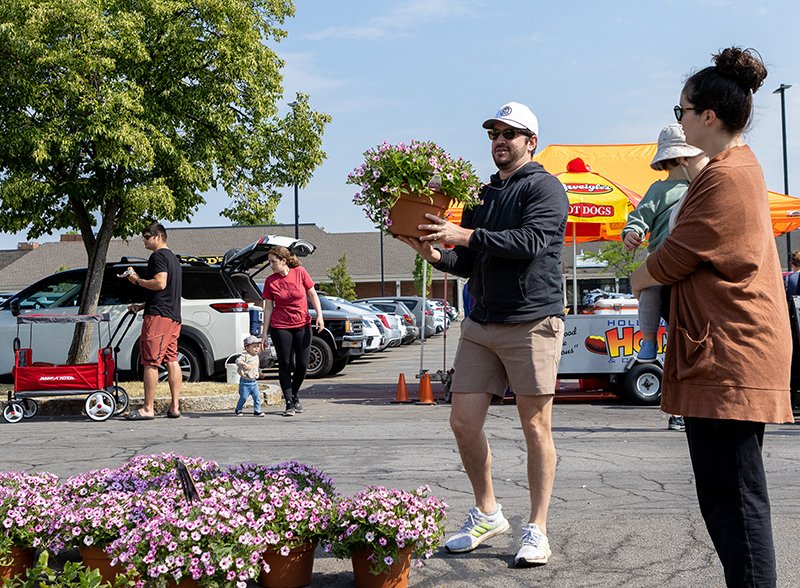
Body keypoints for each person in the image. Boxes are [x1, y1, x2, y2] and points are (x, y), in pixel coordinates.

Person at [631, 47, 793, 587]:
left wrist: (639, 276)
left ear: (708, 116)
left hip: (730, 354)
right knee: (729, 498)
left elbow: (673, 257)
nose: (678, 122)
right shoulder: (733, 169)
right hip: (727, 351)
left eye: (681, 111)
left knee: (736, 502)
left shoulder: (725, 176)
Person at [397, 101, 569, 567]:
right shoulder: (483, 194)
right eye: (494, 133)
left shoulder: (546, 188)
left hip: (532, 321)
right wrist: (436, 255)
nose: (500, 141)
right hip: (481, 322)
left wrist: (463, 235)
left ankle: (537, 528)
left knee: (535, 426)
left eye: (510, 133)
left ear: (531, 142)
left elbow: (531, 242)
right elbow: (470, 262)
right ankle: (488, 512)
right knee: (463, 421)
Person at [622, 124, 707, 432]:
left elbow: (638, 218)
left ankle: (681, 407)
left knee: (657, 306)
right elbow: (638, 218)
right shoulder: (669, 190)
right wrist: (631, 232)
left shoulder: (696, 187)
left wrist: (633, 231)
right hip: (668, 264)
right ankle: (647, 341)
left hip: (678, 267)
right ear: (684, 158)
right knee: (652, 295)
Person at [123, 222, 183, 420]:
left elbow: (160, 283)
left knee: (150, 361)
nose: (144, 240)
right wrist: (142, 306)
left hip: (158, 317)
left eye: (147, 237)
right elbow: (166, 291)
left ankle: (148, 408)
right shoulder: (173, 259)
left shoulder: (157, 256)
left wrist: (136, 280)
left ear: (159, 237)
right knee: (172, 359)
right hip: (173, 316)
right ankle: (175, 407)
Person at [261, 245, 324, 417]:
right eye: (269, 262)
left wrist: (319, 315)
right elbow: (268, 308)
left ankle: (294, 393)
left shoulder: (300, 272)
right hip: (280, 327)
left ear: (283, 261)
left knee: (302, 365)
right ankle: (289, 402)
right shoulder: (270, 281)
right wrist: (264, 333)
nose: (271, 265)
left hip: (302, 324)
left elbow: (313, 294)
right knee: (285, 364)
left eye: (273, 262)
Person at [235, 335, 265, 417]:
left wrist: (259, 373)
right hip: (245, 382)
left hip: (254, 382)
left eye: (258, 346)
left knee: (257, 396)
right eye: (254, 346)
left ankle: (257, 410)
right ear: (247, 348)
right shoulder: (245, 356)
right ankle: (238, 409)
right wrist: (244, 364)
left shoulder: (256, 356)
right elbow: (237, 361)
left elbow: (256, 367)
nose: (256, 348)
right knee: (243, 397)